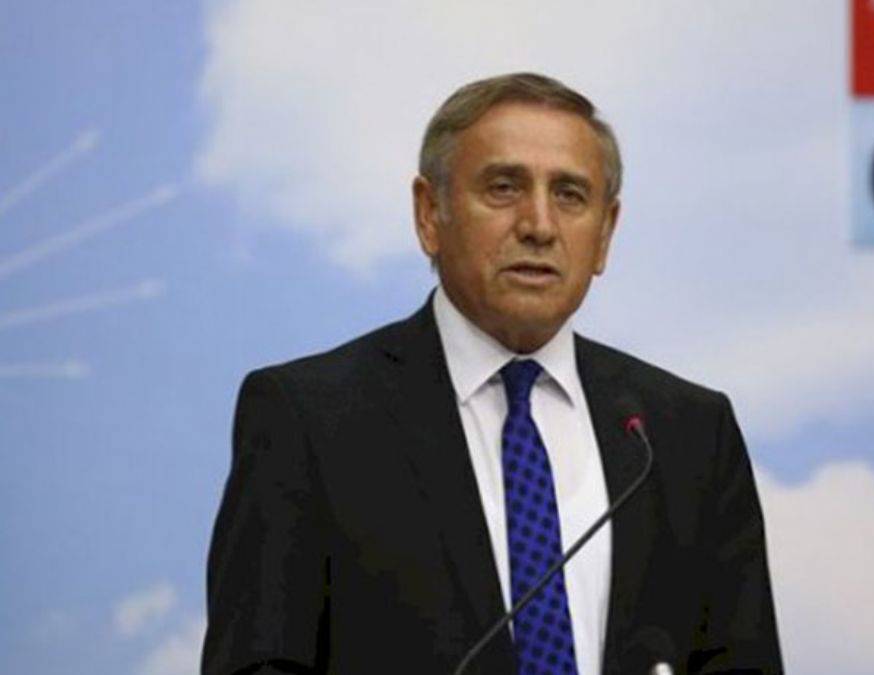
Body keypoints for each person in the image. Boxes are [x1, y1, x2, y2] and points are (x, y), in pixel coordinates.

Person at [201, 72, 782, 675]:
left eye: (570, 195)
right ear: (430, 213)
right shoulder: (310, 419)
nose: (539, 225)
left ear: (605, 233)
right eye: (504, 188)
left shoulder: (686, 434)